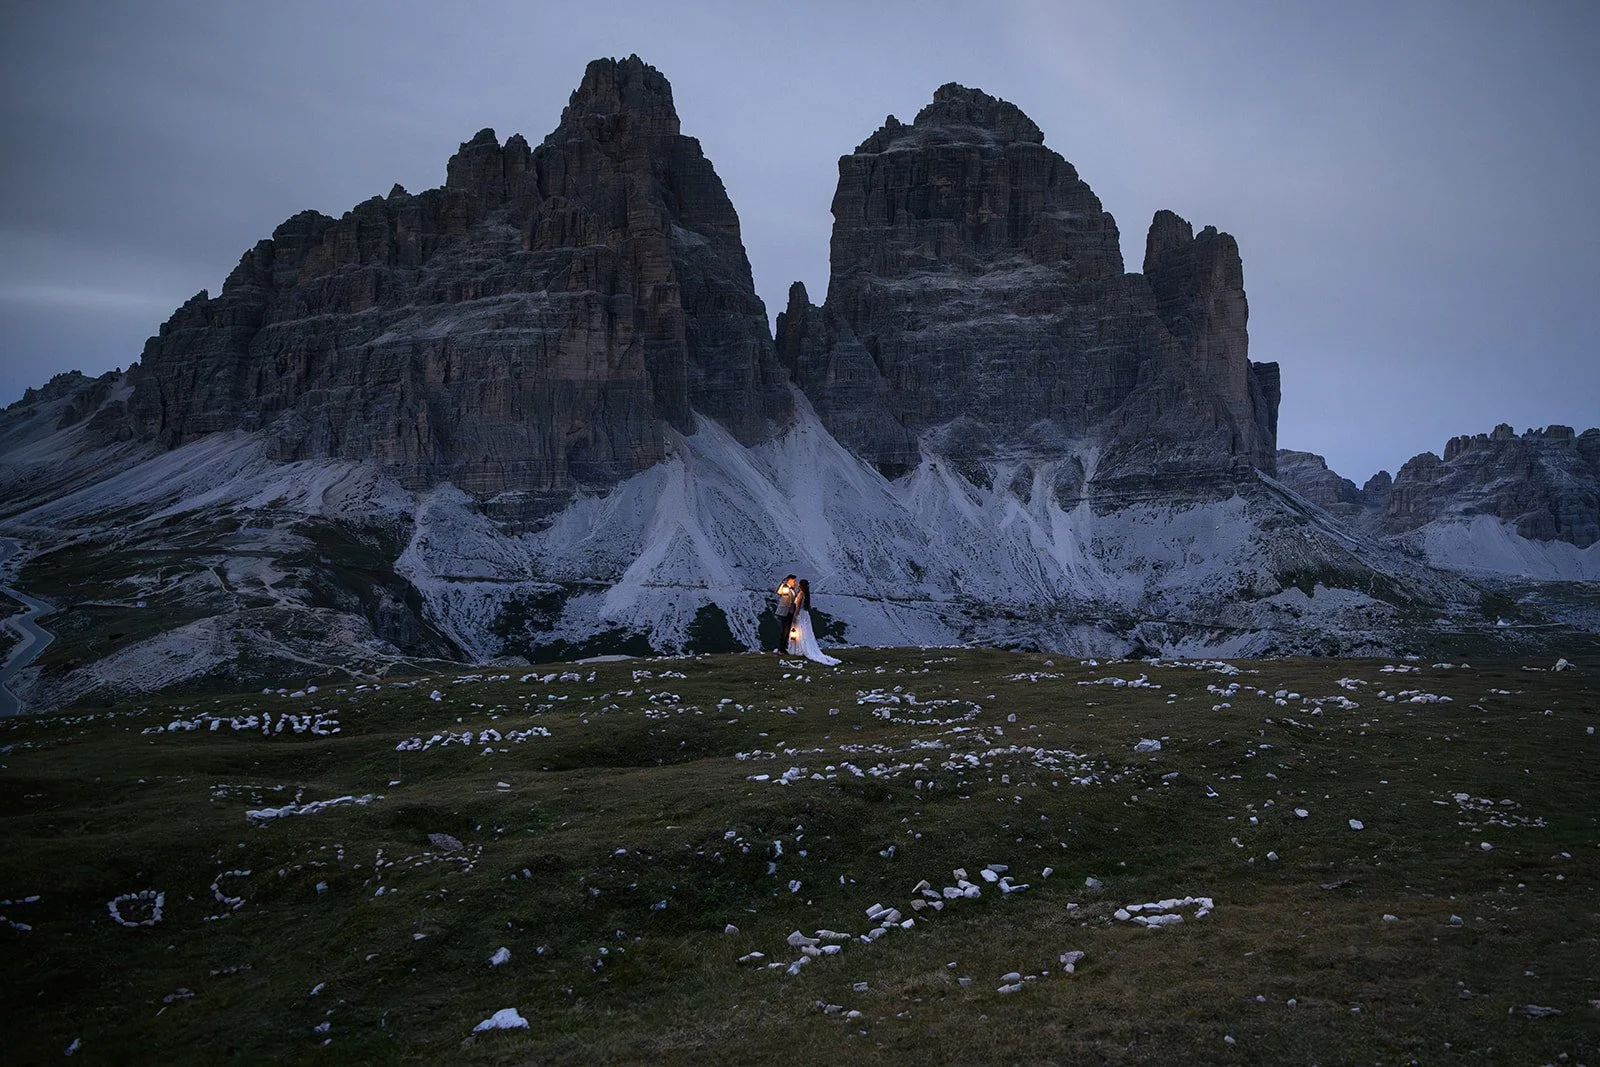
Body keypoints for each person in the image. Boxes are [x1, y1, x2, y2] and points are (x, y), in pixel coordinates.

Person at [786, 578, 840, 665]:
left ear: (801, 586)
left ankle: (799, 649)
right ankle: (803, 647)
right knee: (805, 632)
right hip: (805, 615)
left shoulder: (800, 594)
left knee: (798, 631)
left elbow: (798, 607)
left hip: (800, 615)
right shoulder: (806, 594)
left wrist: (795, 616)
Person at [771, 575, 798, 652]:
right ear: (789, 581)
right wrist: (783, 583)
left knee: (788, 630)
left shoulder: (793, 590)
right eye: (794, 581)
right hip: (784, 612)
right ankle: (781, 648)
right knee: (784, 630)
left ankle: (784, 647)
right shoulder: (784, 588)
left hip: (790, 612)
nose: (795, 583)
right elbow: (778, 592)